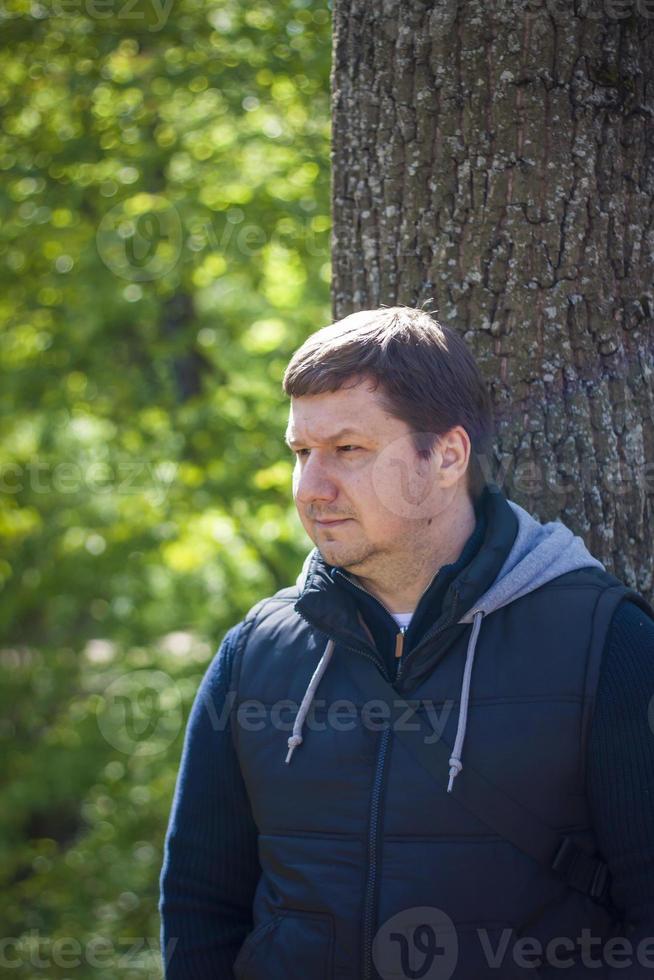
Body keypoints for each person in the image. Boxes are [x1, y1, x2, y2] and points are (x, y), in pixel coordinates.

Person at [159, 306, 654, 979]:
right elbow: (199, 909)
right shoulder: (255, 655)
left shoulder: (608, 643)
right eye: (301, 453)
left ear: (446, 456)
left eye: (349, 450)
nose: (311, 488)